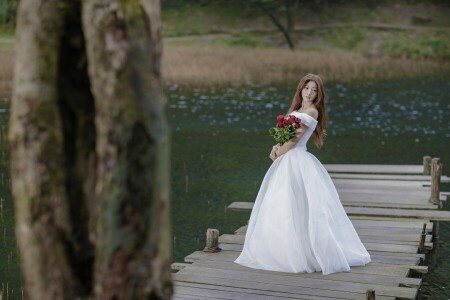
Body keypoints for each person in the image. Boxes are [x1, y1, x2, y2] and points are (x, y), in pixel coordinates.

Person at [234, 73, 371, 275]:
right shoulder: (297, 110)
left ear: (318, 95)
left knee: (303, 205)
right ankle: (285, 249)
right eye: (307, 88)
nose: (310, 93)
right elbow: (285, 137)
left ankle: (307, 253)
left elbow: (295, 140)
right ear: (301, 89)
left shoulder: (312, 112)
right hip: (286, 160)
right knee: (285, 204)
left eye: (314, 90)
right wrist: (276, 148)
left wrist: (279, 151)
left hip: (297, 161)